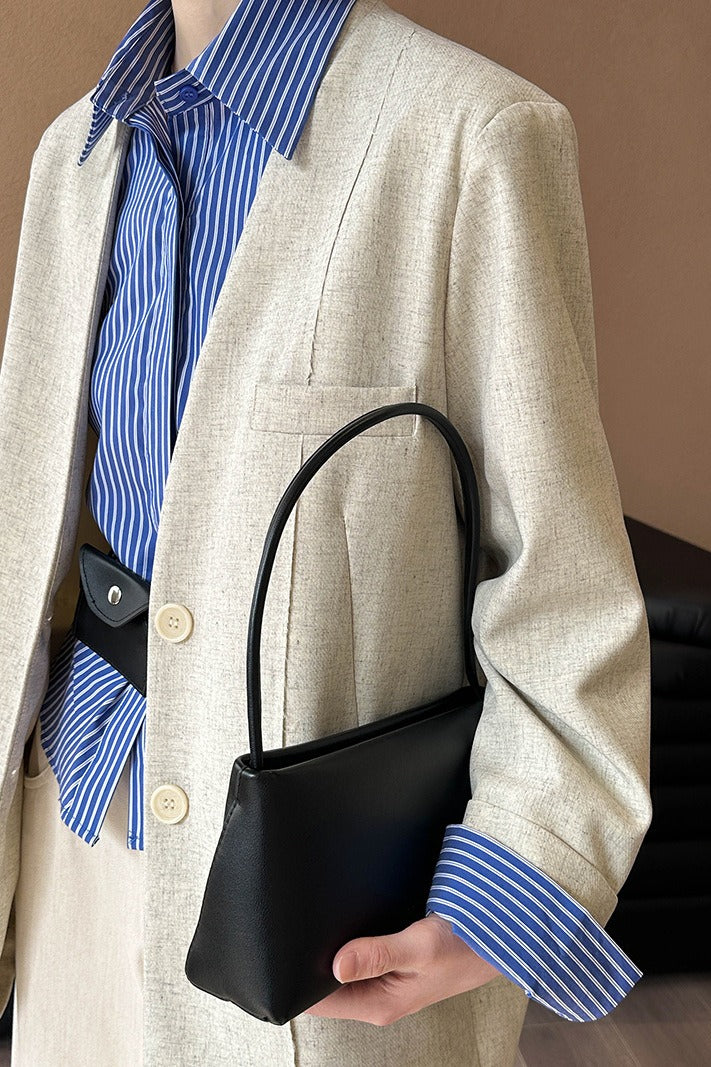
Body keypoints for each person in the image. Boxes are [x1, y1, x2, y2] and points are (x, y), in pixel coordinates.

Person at [0, 0, 653, 1064]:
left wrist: (502, 890)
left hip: (323, 921)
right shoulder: (72, 157)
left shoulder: (471, 136)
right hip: (71, 842)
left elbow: (561, 583)